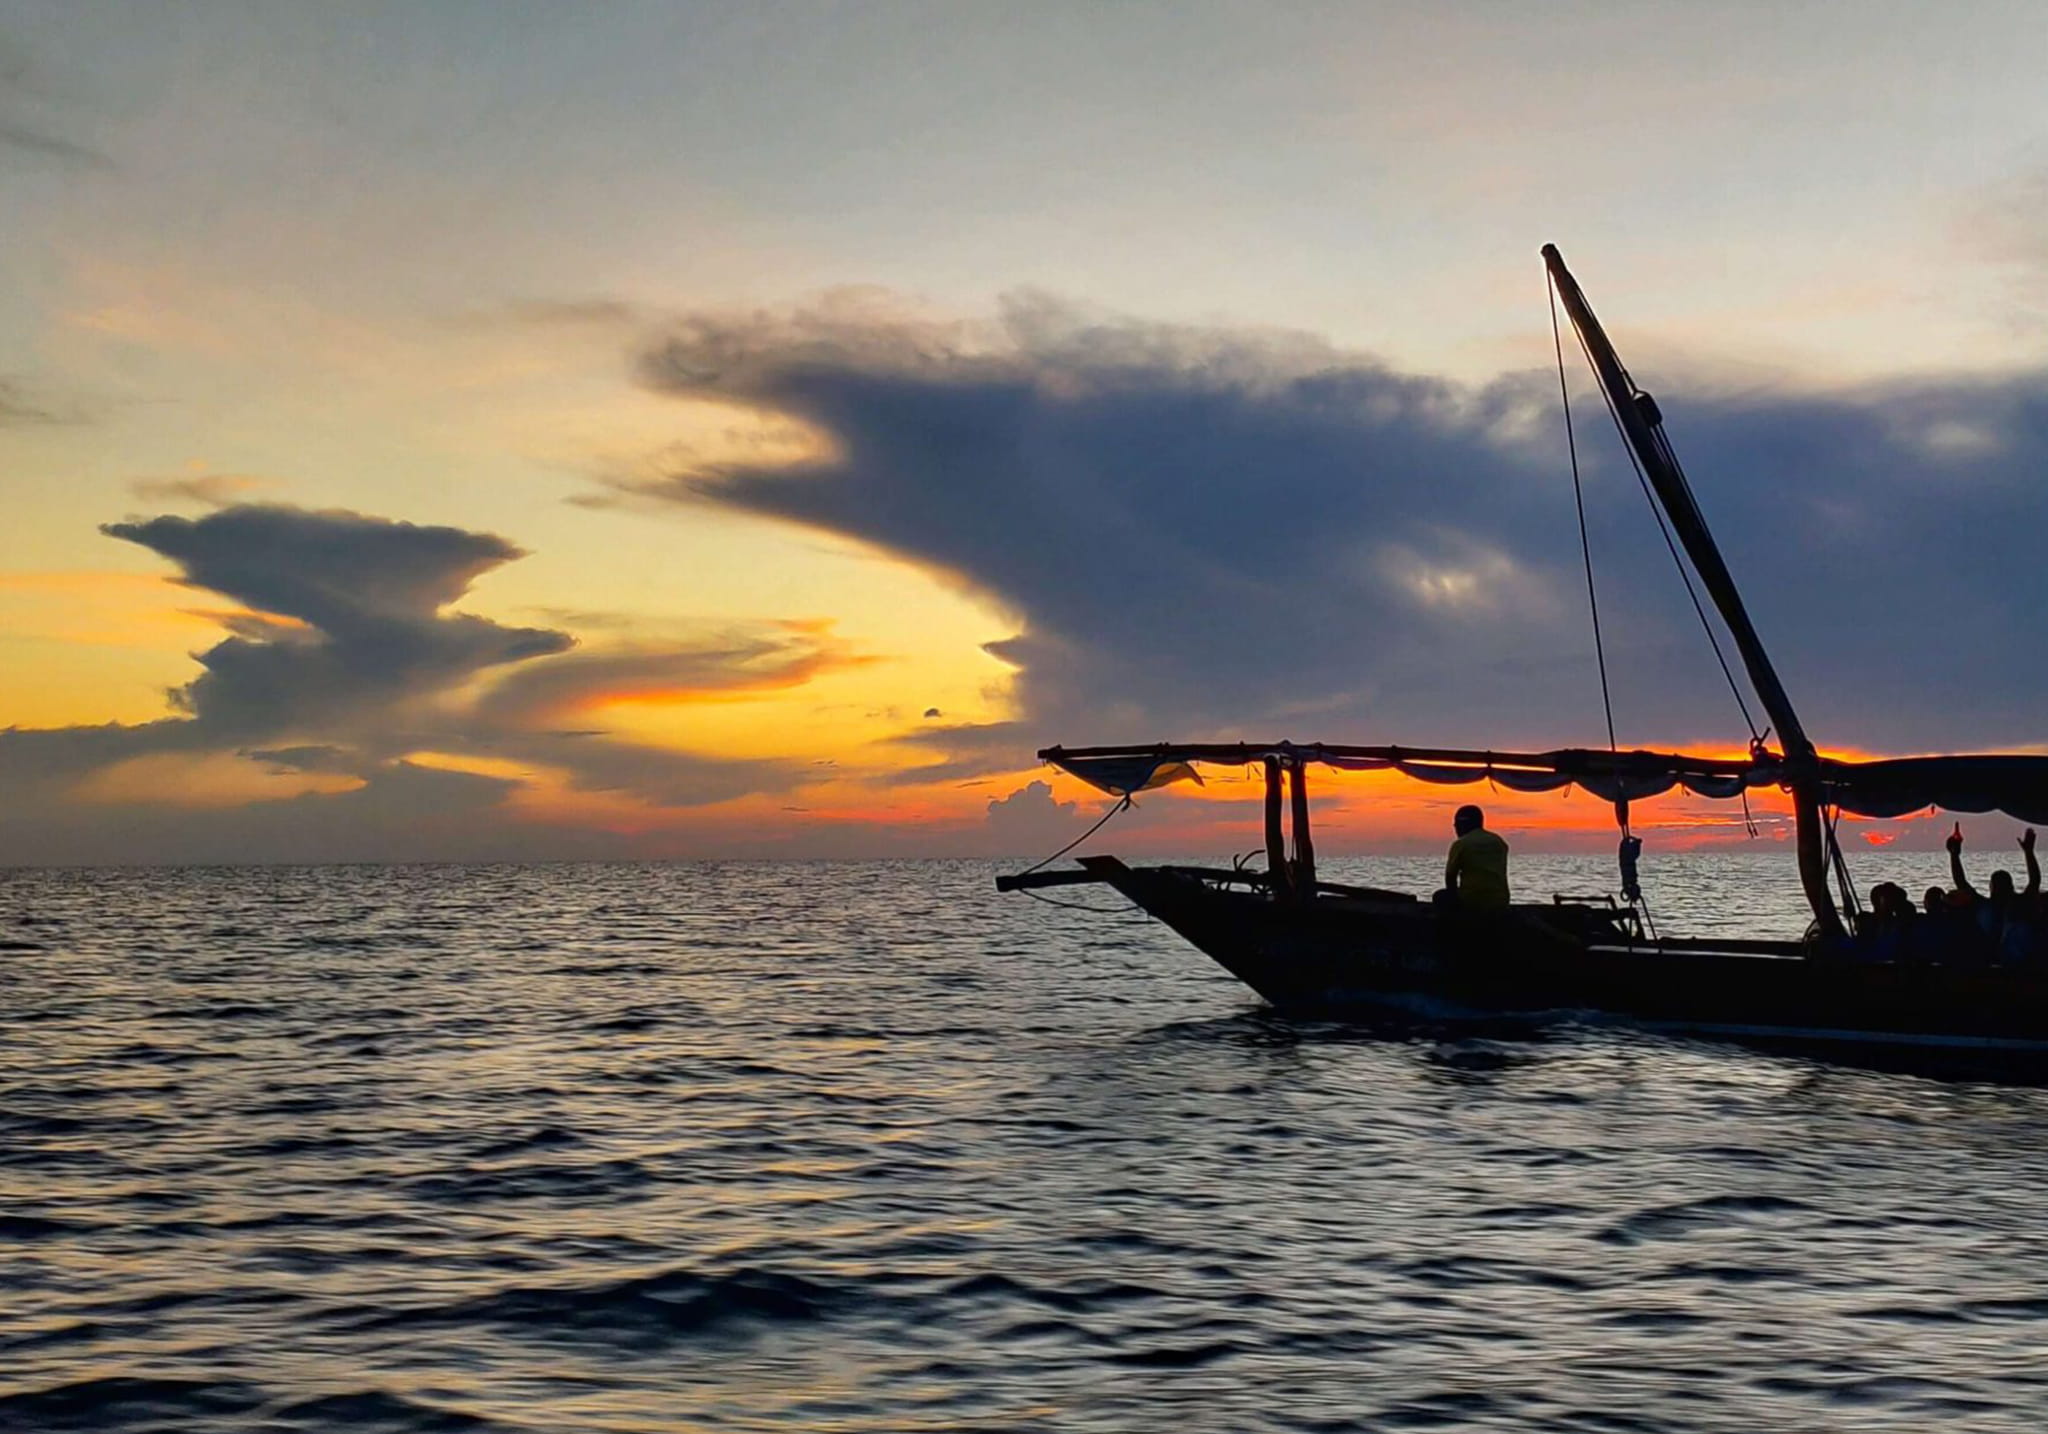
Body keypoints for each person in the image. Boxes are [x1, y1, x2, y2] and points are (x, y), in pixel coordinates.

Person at [1439, 804, 1510, 910]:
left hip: (1472, 900)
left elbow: (1450, 877)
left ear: (1462, 824)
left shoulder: (1461, 844)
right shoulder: (1499, 841)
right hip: (1501, 900)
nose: (1455, 829)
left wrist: (1454, 902)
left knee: (1440, 897)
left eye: (1456, 825)